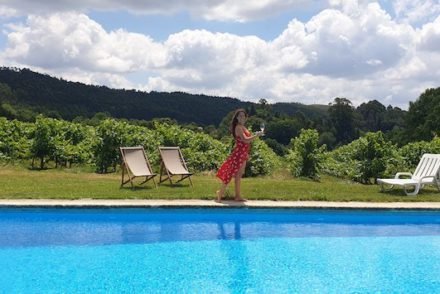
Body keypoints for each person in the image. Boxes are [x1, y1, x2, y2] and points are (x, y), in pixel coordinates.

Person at [216, 109, 264, 202]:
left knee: (239, 175)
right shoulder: (238, 127)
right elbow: (245, 140)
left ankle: (237, 196)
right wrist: (257, 135)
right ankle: (220, 193)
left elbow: (246, 141)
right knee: (230, 174)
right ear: (237, 118)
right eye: (240, 116)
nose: (242, 117)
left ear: (246, 118)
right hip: (238, 153)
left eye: (243, 116)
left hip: (243, 153)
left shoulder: (243, 127)